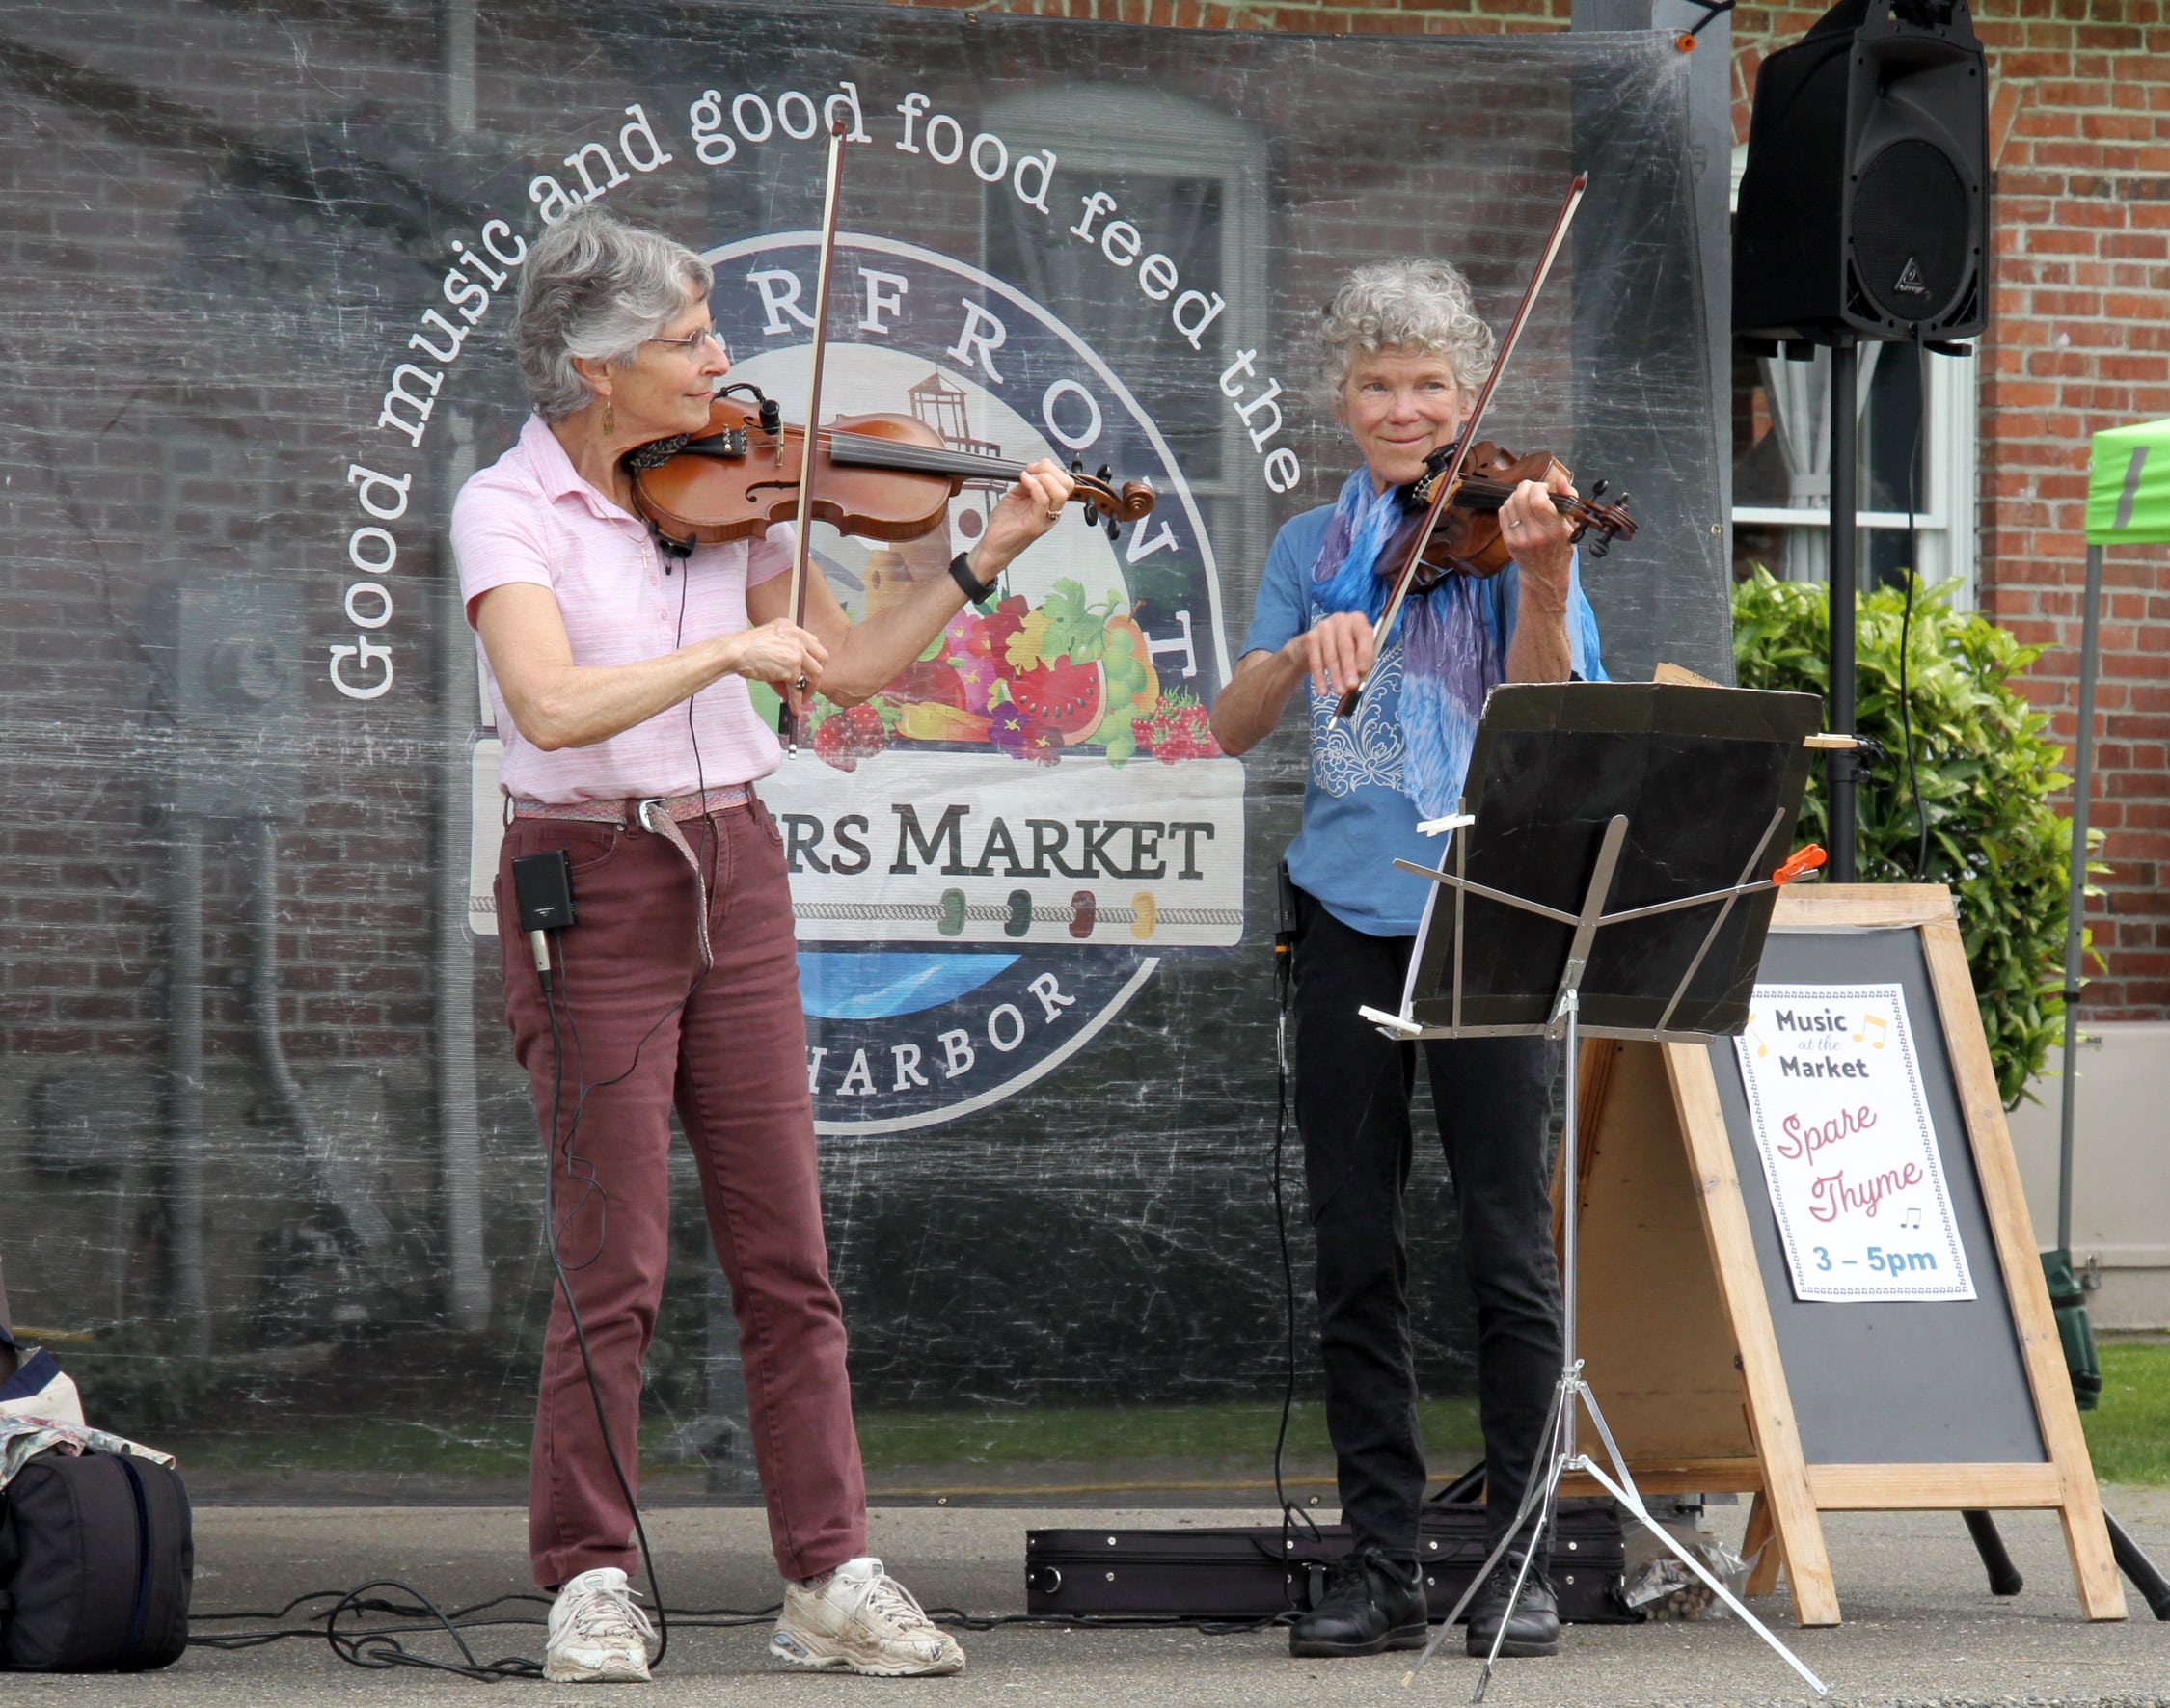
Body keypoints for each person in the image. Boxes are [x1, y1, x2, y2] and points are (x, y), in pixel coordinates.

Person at [451, 204, 1074, 1683]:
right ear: (595, 370)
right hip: (586, 874)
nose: (721, 366)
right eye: (686, 343)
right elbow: (548, 704)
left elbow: (847, 670)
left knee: (786, 1251)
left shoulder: (723, 493)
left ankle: (826, 1572)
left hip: (732, 856)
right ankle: (592, 1574)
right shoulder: (508, 507)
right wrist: (725, 647)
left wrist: (978, 552)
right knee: (614, 1261)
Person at [1208, 258, 1606, 1662]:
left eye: (1428, 383)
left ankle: (1517, 1556)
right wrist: (1297, 648)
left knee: (1505, 1245)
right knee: (1356, 1249)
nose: (1401, 405)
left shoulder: (1509, 525)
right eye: (1376, 382)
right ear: (1340, 397)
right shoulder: (1312, 546)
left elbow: (1550, 714)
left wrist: (1546, 579)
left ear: (1467, 393)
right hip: (1344, 918)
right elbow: (1229, 724)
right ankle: (1378, 1560)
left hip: (1484, 910)